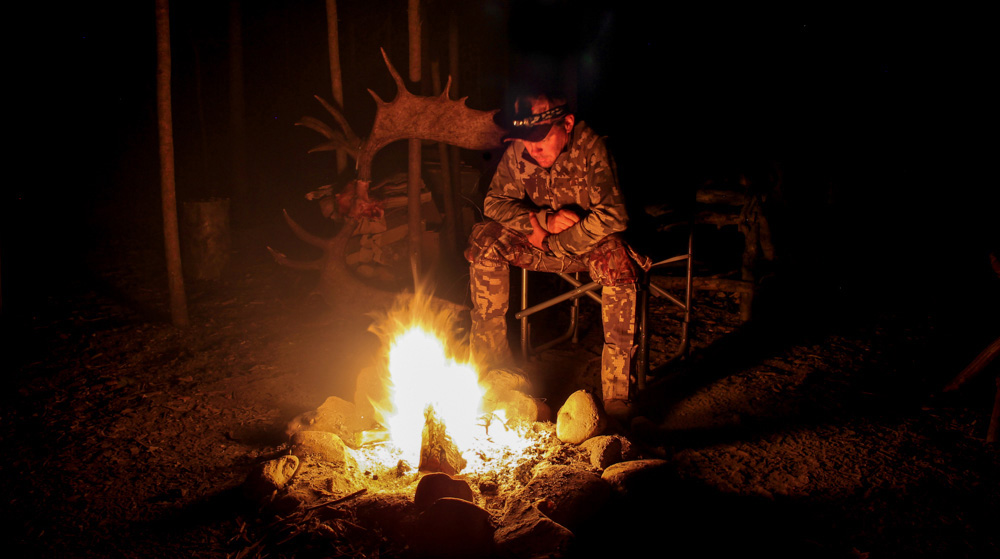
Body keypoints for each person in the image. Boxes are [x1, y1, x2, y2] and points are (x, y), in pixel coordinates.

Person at [465, 92, 650, 420]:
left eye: (540, 138)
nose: (531, 149)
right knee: (485, 240)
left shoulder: (593, 148)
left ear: (566, 123)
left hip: (590, 246)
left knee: (619, 263)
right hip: (542, 240)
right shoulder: (521, 149)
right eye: (525, 140)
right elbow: (494, 202)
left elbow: (614, 217)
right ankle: (491, 373)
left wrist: (558, 241)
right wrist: (540, 222)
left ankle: (619, 396)